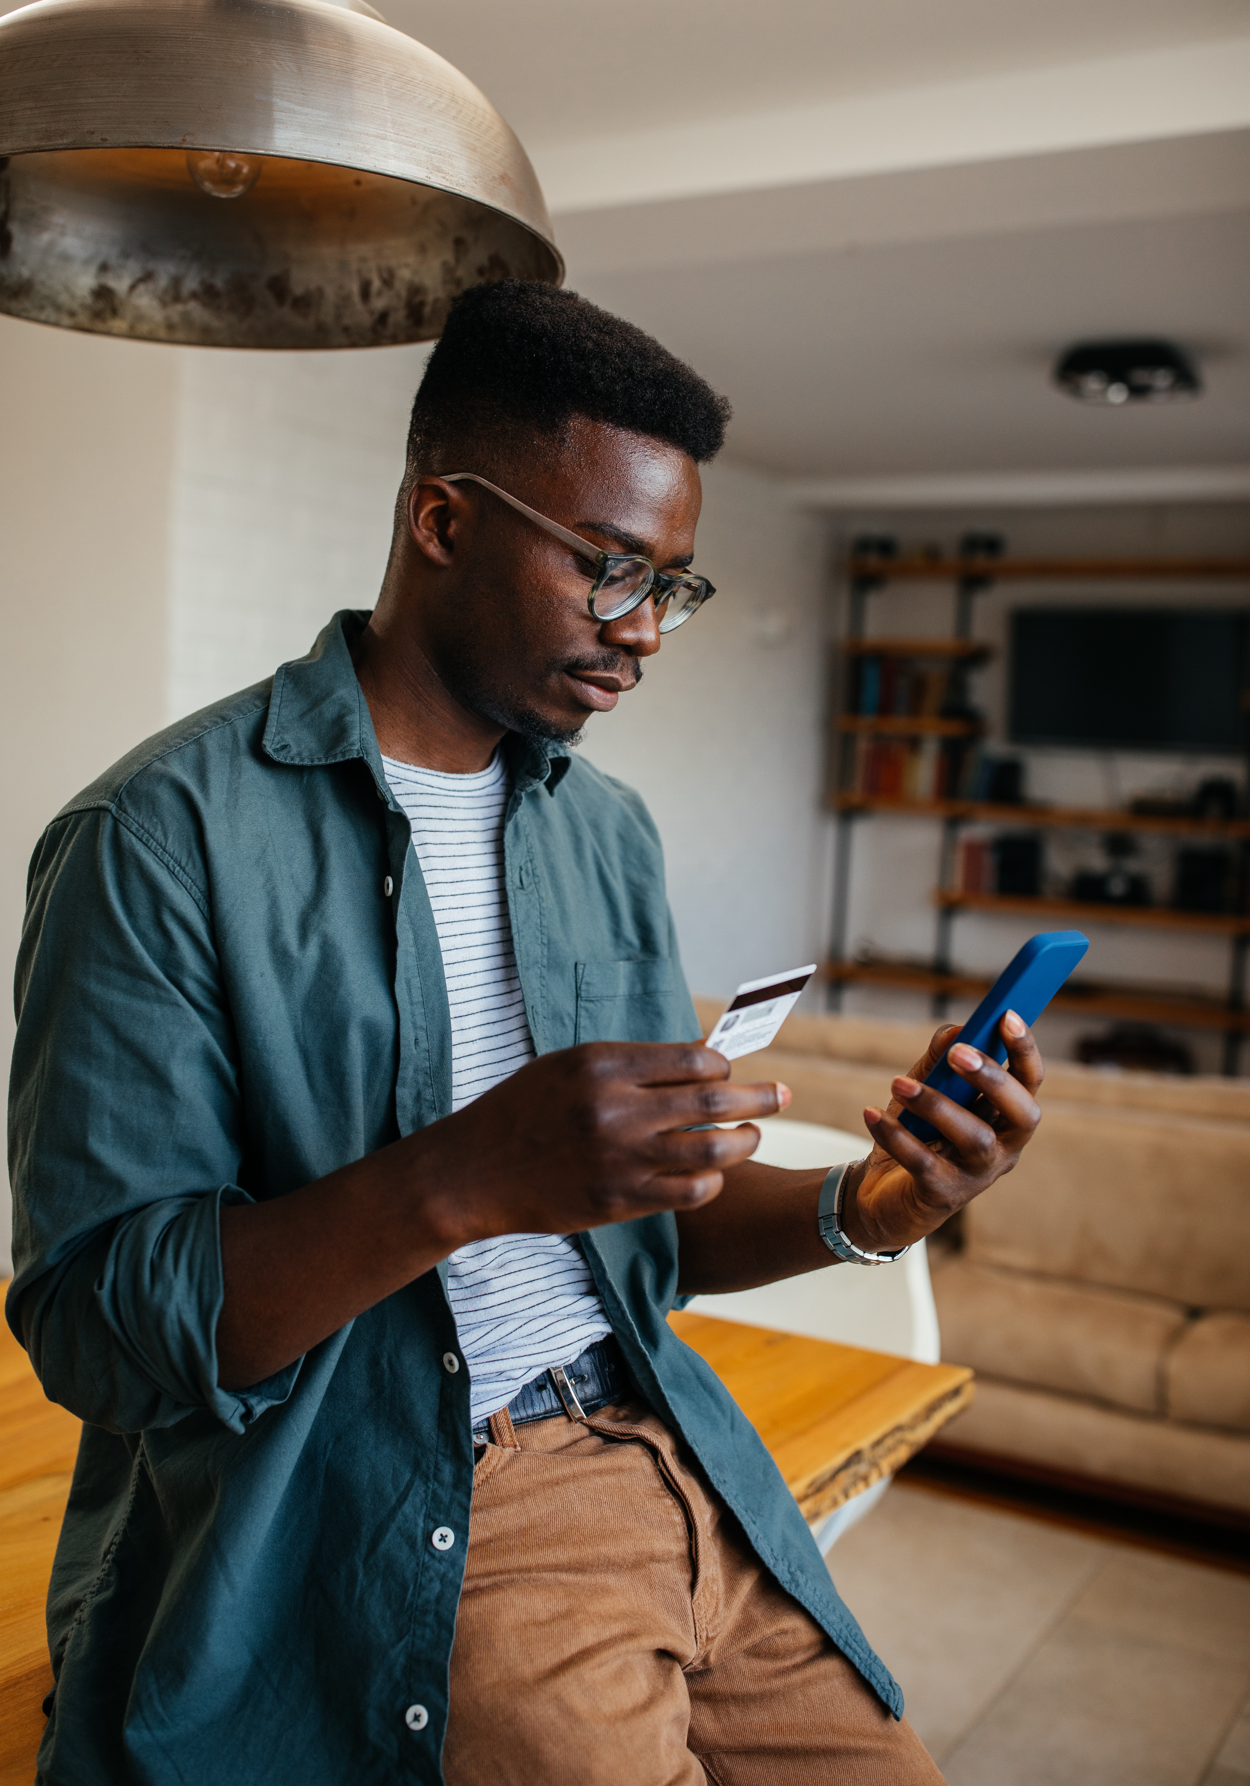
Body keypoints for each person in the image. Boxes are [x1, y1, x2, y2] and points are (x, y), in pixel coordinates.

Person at [8, 281, 1043, 1786]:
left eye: (670, 585)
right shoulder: (157, 837)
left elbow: (643, 1226)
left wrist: (875, 1205)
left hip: (683, 1459)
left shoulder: (603, 831)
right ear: (442, 519)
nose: (643, 635)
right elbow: (102, 1325)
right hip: (430, 1513)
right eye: (607, 568)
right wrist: (464, 1177)